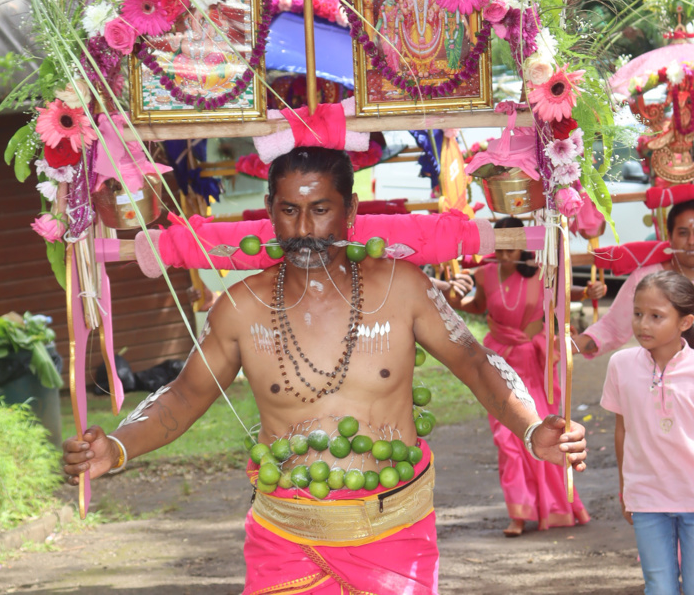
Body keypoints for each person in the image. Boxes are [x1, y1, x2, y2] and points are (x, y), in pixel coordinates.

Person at [63, 147, 588, 595]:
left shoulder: (402, 288)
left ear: (350, 209)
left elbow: (476, 363)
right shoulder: (240, 309)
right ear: (269, 210)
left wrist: (529, 425)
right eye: (289, 210)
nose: (304, 229)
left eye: (320, 210)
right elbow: (182, 396)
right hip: (285, 537)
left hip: (394, 530)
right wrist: (120, 446)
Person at [449, 217, 599, 536]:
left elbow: (563, 292)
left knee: (547, 431)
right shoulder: (483, 272)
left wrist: (588, 290)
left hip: (535, 363)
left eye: (510, 246)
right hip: (498, 362)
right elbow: (475, 305)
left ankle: (558, 507)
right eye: (498, 246)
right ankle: (518, 512)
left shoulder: (542, 272)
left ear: (524, 244)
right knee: (508, 439)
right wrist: (450, 293)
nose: (504, 254)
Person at [600, 271, 694, 595]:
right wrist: (626, 489)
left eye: (656, 316)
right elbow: (622, 430)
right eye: (638, 314)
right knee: (659, 587)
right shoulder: (620, 365)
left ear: (685, 322)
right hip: (647, 498)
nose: (643, 325)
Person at [574, 199, 694, 358]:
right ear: (670, 237)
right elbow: (613, 328)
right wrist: (572, 345)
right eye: (683, 233)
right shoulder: (648, 278)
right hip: (660, 376)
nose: (691, 242)